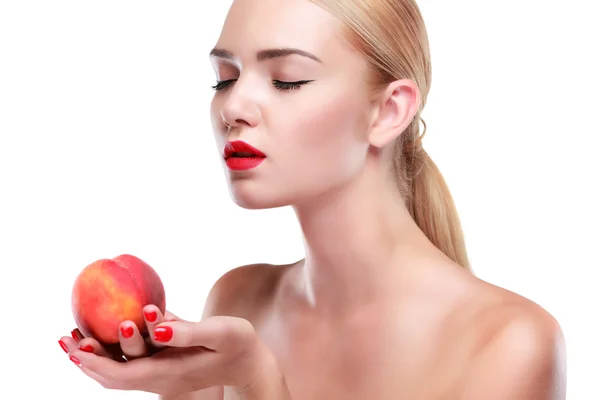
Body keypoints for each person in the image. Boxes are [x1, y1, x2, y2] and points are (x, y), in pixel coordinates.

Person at [59, 0, 567, 398]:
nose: (233, 106)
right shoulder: (237, 300)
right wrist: (177, 393)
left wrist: (258, 382)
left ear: (390, 111)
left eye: (287, 80)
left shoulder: (508, 344)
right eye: (225, 78)